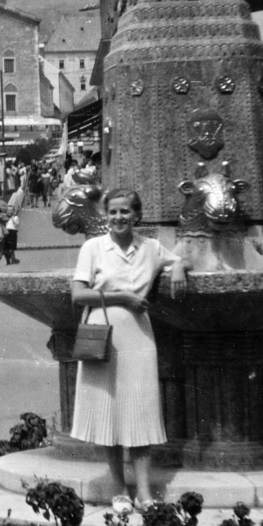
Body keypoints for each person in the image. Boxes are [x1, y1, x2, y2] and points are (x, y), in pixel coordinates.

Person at [70, 188, 186, 508]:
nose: (119, 218)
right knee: (109, 413)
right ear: (105, 216)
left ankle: (145, 493)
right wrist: (121, 297)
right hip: (104, 331)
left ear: (137, 215)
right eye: (113, 212)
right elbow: (78, 295)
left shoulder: (150, 248)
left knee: (141, 412)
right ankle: (119, 488)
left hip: (139, 337)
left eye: (125, 212)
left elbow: (180, 256)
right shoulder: (94, 247)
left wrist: (176, 268)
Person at [2, 181, 26, 265]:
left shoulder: (15, 217)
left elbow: (17, 224)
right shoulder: (5, 217)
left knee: (12, 247)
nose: (9, 212)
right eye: (8, 211)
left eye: (11, 211)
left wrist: (12, 218)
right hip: (6, 232)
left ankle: (13, 258)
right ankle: (8, 260)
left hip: (12, 232)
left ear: (13, 211)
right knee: (5, 248)